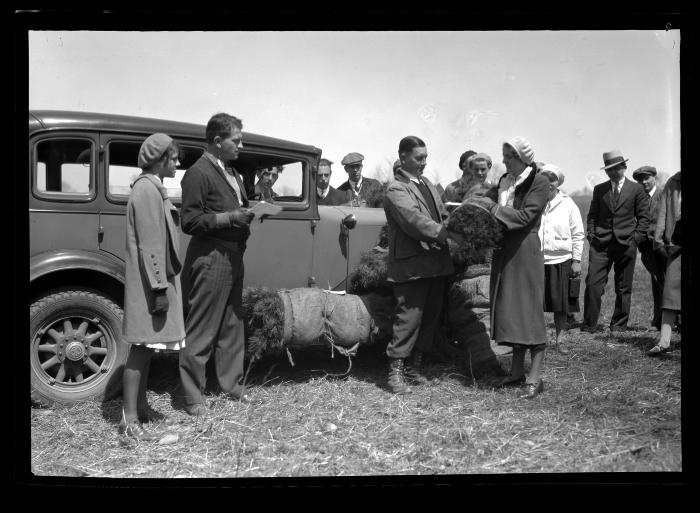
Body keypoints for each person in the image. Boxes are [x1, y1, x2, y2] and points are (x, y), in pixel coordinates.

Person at [179, 113, 255, 417]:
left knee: (231, 326)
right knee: (202, 329)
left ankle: (232, 384)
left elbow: (234, 209)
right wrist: (230, 218)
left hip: (234, 256)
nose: (241, 145)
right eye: (236, 140)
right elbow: (190, 220)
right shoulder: (198, 172)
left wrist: (251, 213)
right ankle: (192, 397)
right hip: (212, 258)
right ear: (217, 141)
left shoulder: (230, 172)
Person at [466, 136, 549, 399]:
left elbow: (526, 217)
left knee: (529, 311)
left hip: (524, 250)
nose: (503, 161)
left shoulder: (539, 181)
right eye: (504, 156)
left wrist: (494, 208)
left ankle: (534, 377)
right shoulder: (505, 181)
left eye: (508, 157)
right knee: (511, 310)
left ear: (523, 157)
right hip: (504, 250)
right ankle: (516, 372)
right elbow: (489, 207)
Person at [383, 136, 466, 394]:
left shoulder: (428, 184)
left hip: (436, 264)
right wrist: (447, 234)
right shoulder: (396, 188)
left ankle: (414, 368)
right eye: (419, 158)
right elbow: (413, 221)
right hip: (412, 268)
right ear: (403, 156)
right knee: (408, 319)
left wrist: (460, 224)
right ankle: (395, 373)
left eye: (426, 157)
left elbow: (442, 215)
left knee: (429, 319)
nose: (424, 162)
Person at [121, 133, 185, 440]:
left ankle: (142, 409)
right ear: (160, 160)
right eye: (173, 158)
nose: (177, 162)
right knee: (141, 347)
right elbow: (150, 246)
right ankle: (128, 419)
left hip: (154, 281)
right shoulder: (147, 191)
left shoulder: (151, 188)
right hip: (152, 283)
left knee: (147, 346)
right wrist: (159, 288)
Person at [582, 150, 650, 333]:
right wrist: (591, 235)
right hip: (600, 245)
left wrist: (635, 239)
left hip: (626, 244)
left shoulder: (636, 190)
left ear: (624, 167)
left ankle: (619, 325)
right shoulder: (600, 189)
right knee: (593, 285)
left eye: (616, 168)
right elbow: (592, 216)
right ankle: (589, 324)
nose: (613, 172)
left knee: (623, 287)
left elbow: (644, 219)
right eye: (609, 170)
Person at [538, 165, 584, 354]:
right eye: (545, 179)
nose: (549, 183)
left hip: (561, 259)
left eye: (553, 180)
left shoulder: (568, 204)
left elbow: (578, 233)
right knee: (536, 302)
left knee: (561, 303)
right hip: (538, 258)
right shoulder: (534, 201)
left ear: (557, 184)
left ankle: (560, 339)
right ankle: (537, 340)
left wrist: (576, 260)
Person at [648, 171, 681, 355]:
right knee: (670, 294)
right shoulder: (673, 182)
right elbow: (663, 213)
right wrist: (659, 240)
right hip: (676, 246)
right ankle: (664, 342)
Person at [633, 165, 665, 330]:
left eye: (646, 178)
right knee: (656, 281)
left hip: (663, 246)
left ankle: (672, 320)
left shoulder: (663, 194)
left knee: (668, 282)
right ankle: (659, 320)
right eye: (640, 180)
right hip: (646, 248)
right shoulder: (638, 198)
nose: (643, 182)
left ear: (654, 177)